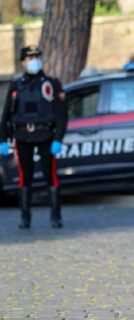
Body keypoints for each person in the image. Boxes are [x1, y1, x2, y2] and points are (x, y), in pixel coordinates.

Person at [0, 45, 68, 229]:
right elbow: (6, 114)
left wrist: (58, 139)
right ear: (23, 62)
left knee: (50, 176)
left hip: (46, 135)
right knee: (25, 177)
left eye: (36, 57)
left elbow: (62, 114)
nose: (33, 61)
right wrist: (3, 139)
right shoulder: (16, 86)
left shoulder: (52, 84)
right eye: (29, 58)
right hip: (23, 136)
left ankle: (56, 215)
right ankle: (25, 217)